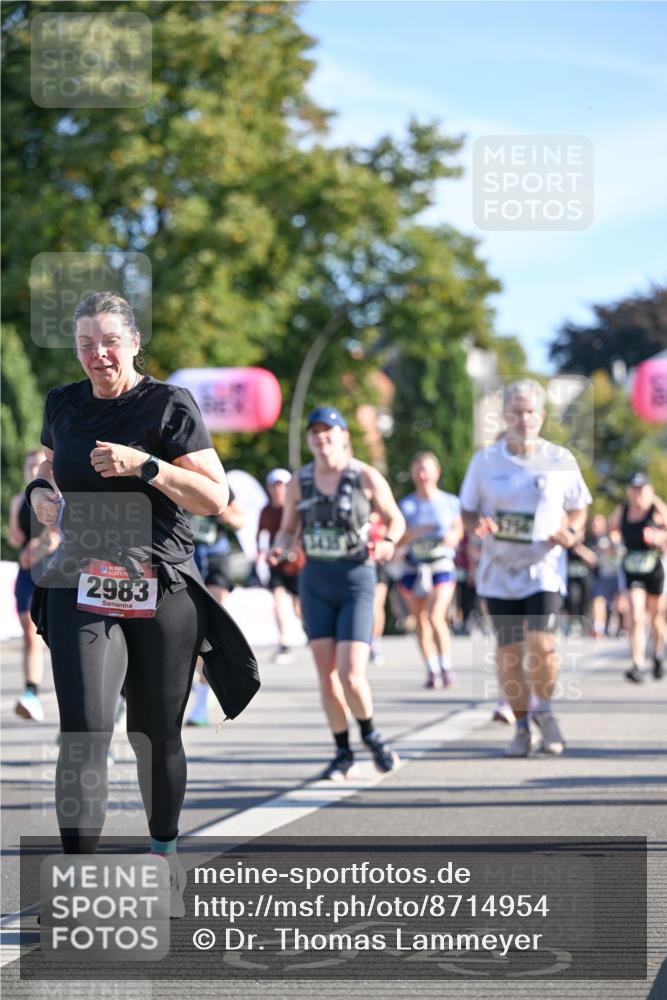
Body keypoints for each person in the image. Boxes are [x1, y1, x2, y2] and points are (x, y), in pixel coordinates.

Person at [28, 292, 259, 898]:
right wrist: (37, 495)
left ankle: (163, 848)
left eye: (108, 341)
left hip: (158, 585)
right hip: (81, 578)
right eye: (84, 343)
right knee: (84, 730)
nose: (96, 354)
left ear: (133, 343)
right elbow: (49, 468)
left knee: (154, 735)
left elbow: (216, 497)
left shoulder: (168, 405)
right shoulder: (63, 403)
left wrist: (145, 466)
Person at [270, 406, 405, 780]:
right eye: (314, 432)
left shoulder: (364, 475)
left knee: (350, 676)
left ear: (344, 436)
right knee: (326, 677)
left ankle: (372, 736)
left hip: (355, 579)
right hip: (315, 581)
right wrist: (280, 547)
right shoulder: (300, 481)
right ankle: (343, 752)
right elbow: (287, 528)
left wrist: (390, 541)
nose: (320, 437)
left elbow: (395, 517)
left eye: (328, 431)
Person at [459, 378, 591, 757]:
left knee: (542, 645)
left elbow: (579, 505)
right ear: (504, 416)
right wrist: (476, 526)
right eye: (515, 412)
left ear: (541, 416)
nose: (523, 418)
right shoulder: (484, 461)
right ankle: (521, 726)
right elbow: (467, 510)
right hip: (498, 573)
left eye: (530, 411)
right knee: (509, 655)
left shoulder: (560, 459)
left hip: (544, 569)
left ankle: (545, 712)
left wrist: (572, 530)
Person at [397, 452, 463, 689]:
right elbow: (399, 537)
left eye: (426, 469)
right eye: (418, 469)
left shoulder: (449, 502)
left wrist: (452, 537)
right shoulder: (406, 505)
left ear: (437, 472)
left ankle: (446, 666)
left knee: (436, 616)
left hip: (441, 563)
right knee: (421, 620)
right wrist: (416, 533)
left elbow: (458, 530)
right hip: (415, 566)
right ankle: (432, 669)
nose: (423, 474)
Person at [7, 449, 60, 721]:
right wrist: (18, 541)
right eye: (28, 466)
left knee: (55, 637)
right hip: (27, 572)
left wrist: (35, 551)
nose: (31, 471)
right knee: (28, 629)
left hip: (52, 569)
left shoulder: (56, 497)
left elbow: (57, 537)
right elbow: (15, 538)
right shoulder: (19, 501)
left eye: (36, 466)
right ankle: (31, 692)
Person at [186, 488, 245, 724]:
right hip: (184, 558)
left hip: (215, 559)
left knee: (209, 631)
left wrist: (221, 510)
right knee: (190, 633)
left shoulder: (217, 479)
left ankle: (200, 706)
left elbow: (239, 521)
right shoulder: (167, 470)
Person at [608, 473, 667, 681]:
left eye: (641, 488)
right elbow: (612, 529)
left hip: (654, 567)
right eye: (634, 488)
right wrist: (615, 542)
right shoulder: (622, 510)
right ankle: (638, 663)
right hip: (632, 566)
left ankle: (658, 653)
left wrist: (658, 536)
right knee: (635, 614)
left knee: (657, 617)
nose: (637, 492)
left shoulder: (656, 509)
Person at [256, 468, 304, 664]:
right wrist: (264, 554)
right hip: (276, 565)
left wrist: (293, 550)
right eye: (275, 486)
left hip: (298, 565)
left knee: (299, 607)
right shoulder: (266, 511)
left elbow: (300, 534)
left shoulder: (296, 508)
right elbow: (261, 537)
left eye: (282, 485)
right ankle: (284, 642)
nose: (278, 490)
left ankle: (314, 632)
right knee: (279, 601)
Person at [587, 513, 623, 638]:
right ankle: (599, 628)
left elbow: (617, 549)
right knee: (598, 599)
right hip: (603, 574)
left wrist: (610, 545)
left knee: (619, 604)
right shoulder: (594, 538)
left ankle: (620, 627)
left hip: (618, 574)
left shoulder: (614, 535)